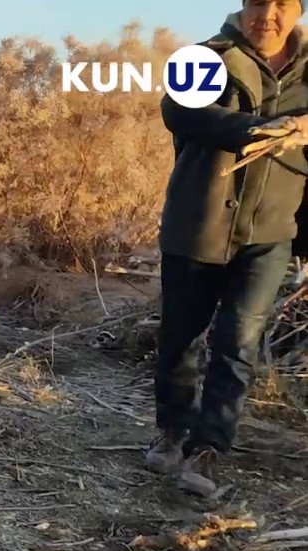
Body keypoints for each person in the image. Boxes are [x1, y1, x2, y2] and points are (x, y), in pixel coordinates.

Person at [148, 0, 308, 497]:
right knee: (180, 333)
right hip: (198, 227)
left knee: (237, 342)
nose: (269, 14)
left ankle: (210, 447)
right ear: (243, 6)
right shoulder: (207, 56)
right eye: (259, 2)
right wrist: (259, 130)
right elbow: (182, 112)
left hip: (270, 234)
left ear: (298, 10)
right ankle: (172, 430)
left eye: (283, 3)